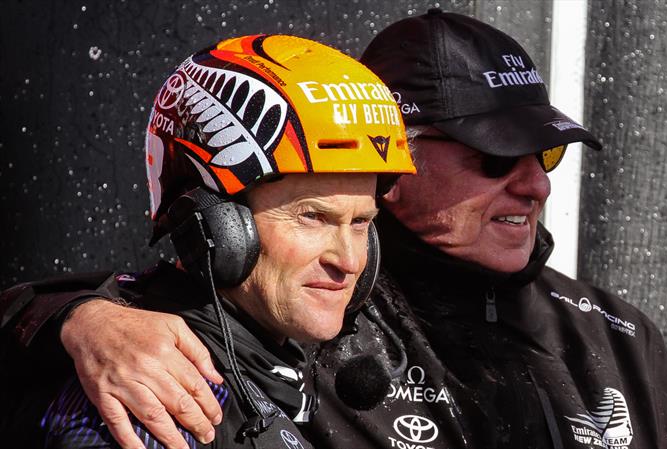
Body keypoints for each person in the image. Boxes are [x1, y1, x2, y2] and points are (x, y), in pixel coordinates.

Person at [1, 10, 667, 449]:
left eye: (545, 155)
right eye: (497, 156)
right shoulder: (285, 318)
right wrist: (78, 319)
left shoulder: (618, 333)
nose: (537, 184)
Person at [0, 33, 415, 449]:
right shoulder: (158, 404)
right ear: (213, 226)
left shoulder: (262, 366)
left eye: (361, 223)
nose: (348, 261)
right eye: (312, 217)